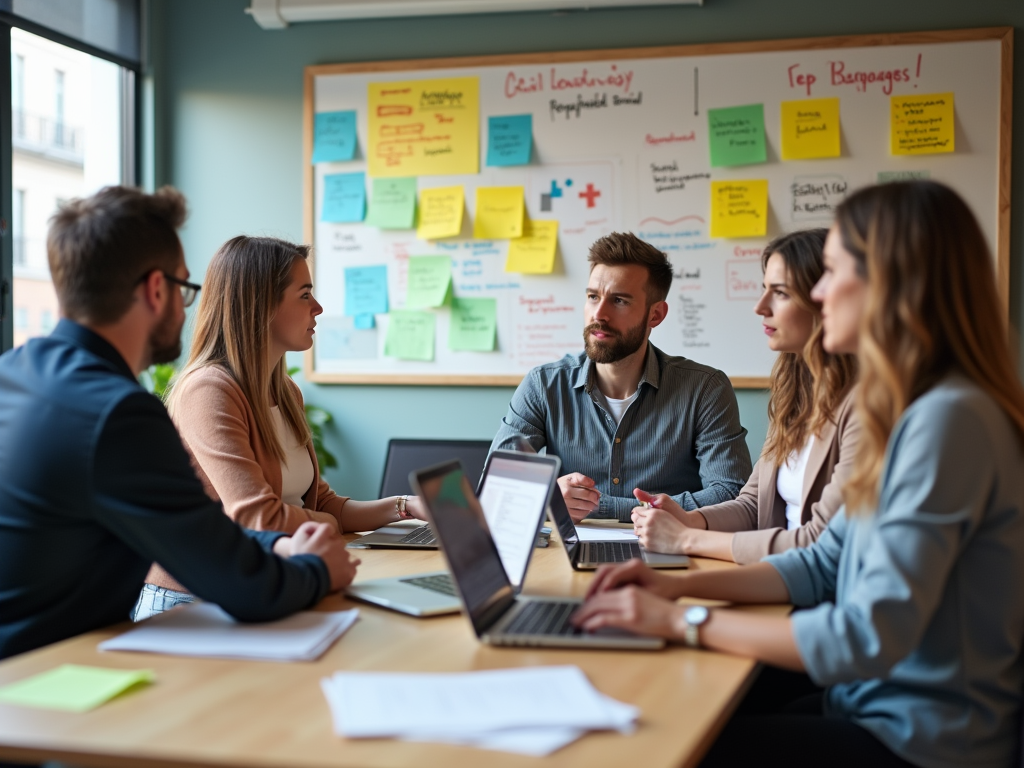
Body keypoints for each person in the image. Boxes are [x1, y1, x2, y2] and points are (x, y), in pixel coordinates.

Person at [572, 181, 1024, 768]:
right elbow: (821, 563)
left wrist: (681, 618)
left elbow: (865, 635)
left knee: (671, 743)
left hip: (922, 741)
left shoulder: (948, 420)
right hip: (864, 705)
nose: (821, 292)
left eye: (831, 273)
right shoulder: (911, 410)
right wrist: (673, 584)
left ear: (891, 283)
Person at [0, 186, 359, 661]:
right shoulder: (117, 413)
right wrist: (317, 567)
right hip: (44, 688)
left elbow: (197, 533)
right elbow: (240, 585)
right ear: (155, 290)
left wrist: (277, 547)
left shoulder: (14, 376)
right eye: (185, 288)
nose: (191, 306)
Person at [138, 236, 427, 620]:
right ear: (260, 306)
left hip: (270, 577)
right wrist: (327, 526)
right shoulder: (208, 390)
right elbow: (258, 520)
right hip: (192, 600)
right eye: (305, 294)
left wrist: (406, 508)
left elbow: (321, 504)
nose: (319, 308)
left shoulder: (285, 390)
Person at [631, 229, 859, 564]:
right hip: (778, 577)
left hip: (809, 591)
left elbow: (819, 541)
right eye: (764, 289)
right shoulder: (795, 391)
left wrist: (686, 538)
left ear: (825, 299)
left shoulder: (864, 406)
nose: (759, 307)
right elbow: (754, 504)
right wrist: (689, 519)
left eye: (780, 293)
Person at [490, 232, 751, 522]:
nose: (599, 314)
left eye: (619, 301)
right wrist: (546, 494)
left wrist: (607, 507)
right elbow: (496, 486)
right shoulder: (543, 385)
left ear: (655, 316)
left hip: (671, 553)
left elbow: (730, 493)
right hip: (568, 556)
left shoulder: (705, 389)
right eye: (593, 297)